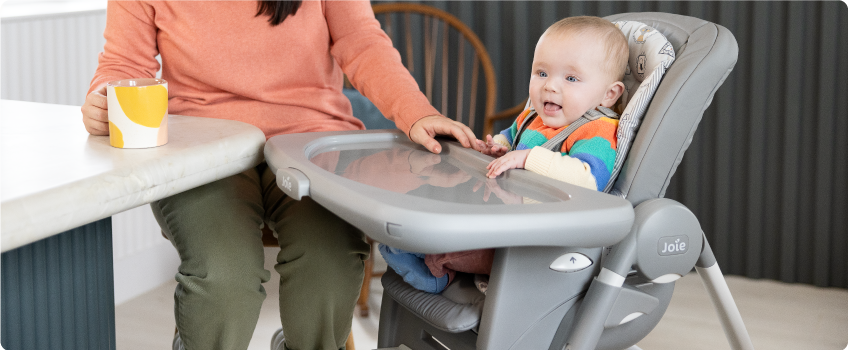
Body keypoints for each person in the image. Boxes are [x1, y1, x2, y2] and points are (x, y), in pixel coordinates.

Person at [80, 0, 481, 349]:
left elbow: (361, 41)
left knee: (331, 261)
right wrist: (103, 100)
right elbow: (123, 64)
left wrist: (416, 112)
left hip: (309, 145)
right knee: (224, 273)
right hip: (203, 148)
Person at [380, 16, 628, 294]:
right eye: (542, 73)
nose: (550, 86)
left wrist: (526, 159)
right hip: (505, 218)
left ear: (609, 94)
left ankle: (436, 270)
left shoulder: (598, 130)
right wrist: (496, 148)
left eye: (571, 78)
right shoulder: (532, 117)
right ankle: (421, 244)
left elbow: (588, 180)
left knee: (457, 247)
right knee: (441, 215)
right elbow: (510, 139)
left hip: (540, 241)